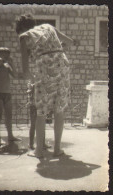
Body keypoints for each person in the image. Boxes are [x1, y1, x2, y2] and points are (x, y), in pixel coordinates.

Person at [16, 14, 75, 158]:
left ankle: (39, 151)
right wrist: (58, 50)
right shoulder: (49, 26)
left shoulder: (24, 36)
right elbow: (70, 42)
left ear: (21, 28)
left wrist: (31, 78)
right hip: (62, 63)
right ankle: (57, 149)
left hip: (44, 67)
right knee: (59, 109)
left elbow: (25, 71)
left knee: (41, 111)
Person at [0, 47, 22, 147]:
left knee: (9, 116)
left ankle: (10, 136)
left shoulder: (7, 66)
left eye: (6, 54)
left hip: (7, 94)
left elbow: (15, 76)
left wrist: (12, 64)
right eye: (3, 54)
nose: (5, 56)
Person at [27, 80, 51, 150]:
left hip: (40, 105)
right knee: (34, 125)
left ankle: (42, 143)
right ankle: (31, 144)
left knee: (42, 124)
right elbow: (31, 95)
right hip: (34, 106)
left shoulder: (40, 84)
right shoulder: (34, 84)